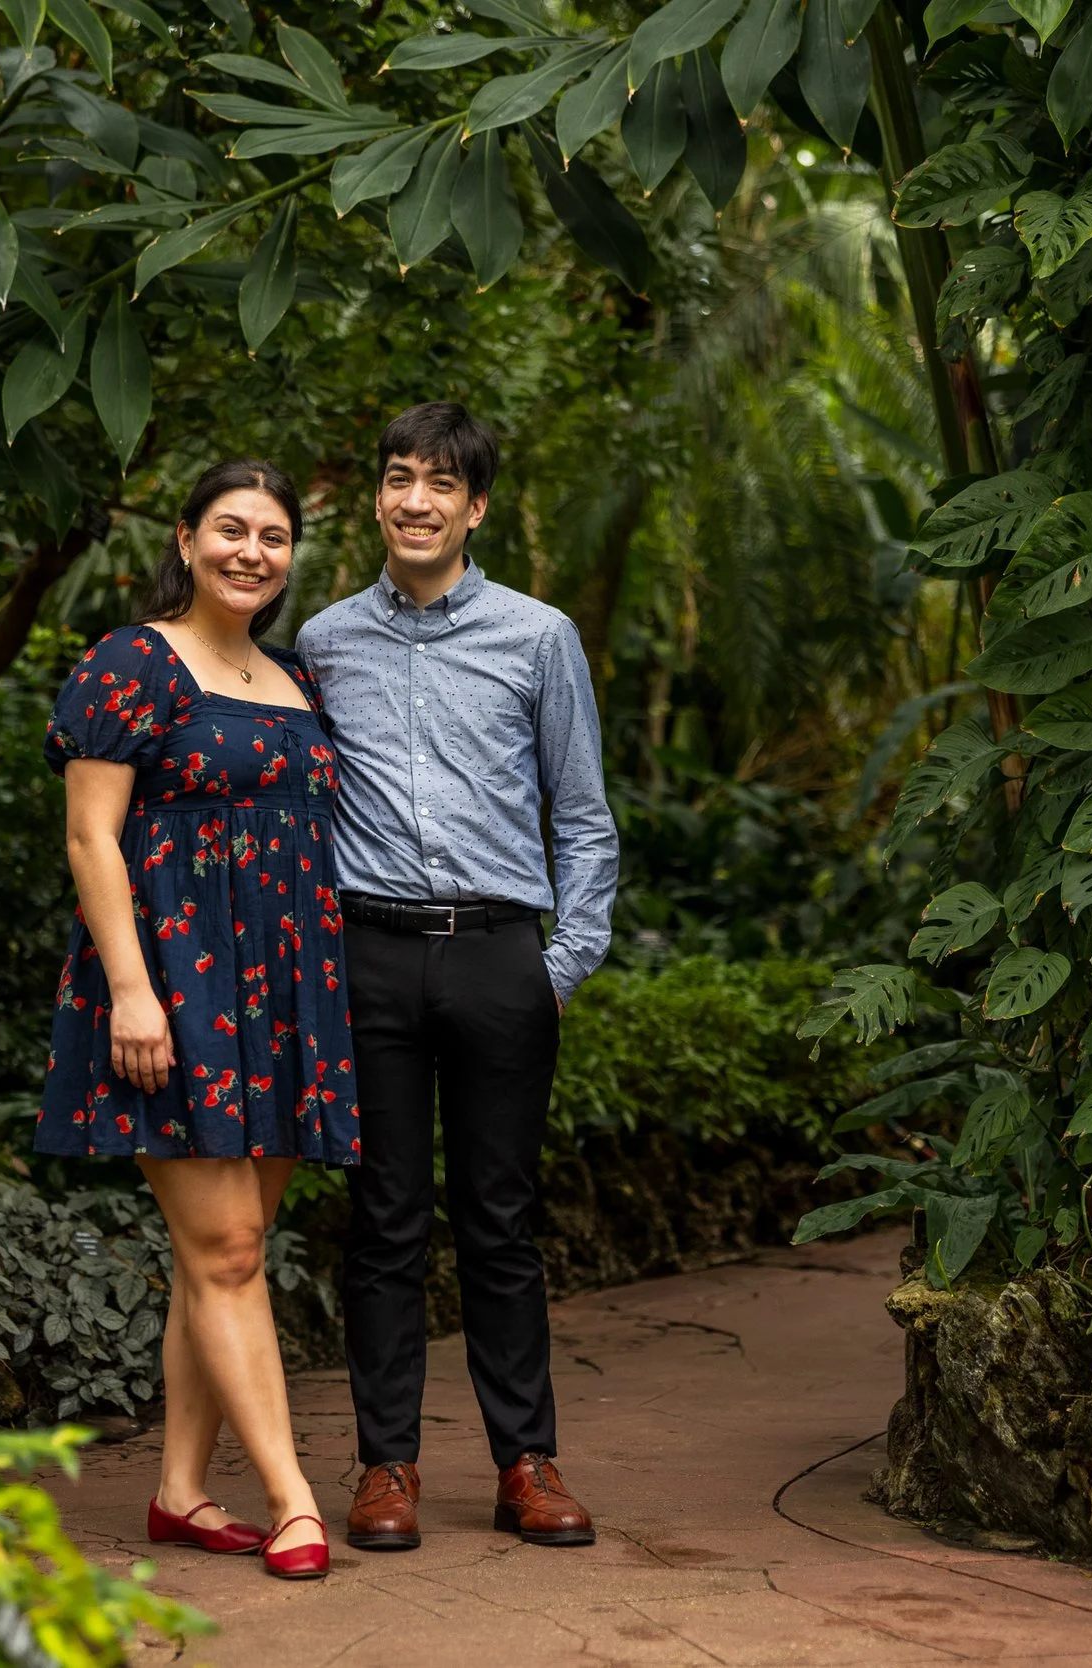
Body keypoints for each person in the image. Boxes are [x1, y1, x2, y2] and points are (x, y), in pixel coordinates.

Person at [296, 403, 619, 1552]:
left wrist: (561, 964)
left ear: (475, 508)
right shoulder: (326, 641)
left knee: (499, 1217)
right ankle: (386, 1467)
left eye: (441, 484)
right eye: (398, 479)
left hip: (497, 954)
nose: (415, 501)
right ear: (378, 499)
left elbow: (581, 816)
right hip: (368, 953)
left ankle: (526, 1462)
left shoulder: (538, 637)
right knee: (381, 1221)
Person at [36, 459, 350, 1581]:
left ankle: (178, 1492)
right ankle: (295, 1497)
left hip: (283, 989)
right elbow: (89, 839)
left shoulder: (290, 672)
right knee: (224, 1249)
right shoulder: (132, 661)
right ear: (185, 536)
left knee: (220, 1254)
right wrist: (130, 987)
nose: (250, 552)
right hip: (174, 981)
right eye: (230, 529)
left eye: (272, 536)